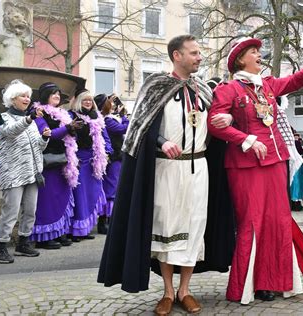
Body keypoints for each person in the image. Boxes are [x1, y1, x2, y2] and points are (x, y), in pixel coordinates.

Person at [98, 35, 234, 316]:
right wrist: (161, 142)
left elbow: (215, 124)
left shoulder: (203, 91)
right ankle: (168, 293)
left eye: (199, 53)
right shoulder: (155, 87)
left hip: (199, 169)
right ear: (176, 55)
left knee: (195, 226)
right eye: (194, 53)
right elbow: (139, 129)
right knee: (167, 229)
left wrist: (226, 119)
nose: (199, 57)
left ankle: (185, 290)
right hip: (167, 170)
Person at [208, 36, 303, 305]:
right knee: (253, 222)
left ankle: (273, 281)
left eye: (259, 51)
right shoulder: (228, 89)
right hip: (245, 165)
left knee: (277, 221)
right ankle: (249, 285)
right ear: (240, 59)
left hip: (275, 161)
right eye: (254, 52)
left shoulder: (268, 86)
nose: (259, 55)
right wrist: (246, 140)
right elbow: (215, 125)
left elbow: (294, 81)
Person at [0, 80, 50, 264]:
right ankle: (0, 247)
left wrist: (44, 138)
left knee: (30, 210)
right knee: (10, 211)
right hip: (13, 172)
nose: (27, 99)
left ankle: (23, 242)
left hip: (32, 172)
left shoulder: (30, 120)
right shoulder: (3, 118)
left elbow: (37, 147)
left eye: (28, 96)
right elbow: (10, 132)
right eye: (22, 96)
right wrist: (29, 119)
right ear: (12, 99)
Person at [30, 82, 82, 249]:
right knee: (48, 200)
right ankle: (44, 237)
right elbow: (48, 135)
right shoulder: (39, 113)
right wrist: (68, 128)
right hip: (48, 163)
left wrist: (72, 130)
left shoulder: (62, 113)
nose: (57, 96)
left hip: (63, 162)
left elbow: (68, 137)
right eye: (53, 94)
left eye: (59, 94)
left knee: (62, 198)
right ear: (45, 96)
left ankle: (58, 232)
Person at [66, 89, 112, 242]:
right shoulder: (72, 115)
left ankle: (85, 228)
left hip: (94, 162)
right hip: (79, 161)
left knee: (92, 195)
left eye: (90, 100)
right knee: (79, 196)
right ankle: (75, 231)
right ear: (79, 101)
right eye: (85, 99)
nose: (88, 102)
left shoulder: (96, 117)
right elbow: (68, 139)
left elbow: (104, 137)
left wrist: (108, 152)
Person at [94, 93, 129, 234]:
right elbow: (123, 129)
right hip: (113, 159)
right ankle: (103, 223)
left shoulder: (110, 118)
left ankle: (108, 221)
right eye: (111, 102)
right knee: (110, 190)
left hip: (116, 158)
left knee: (113, 189)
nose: (114, 105)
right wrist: (125, 117)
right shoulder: (107, 120)